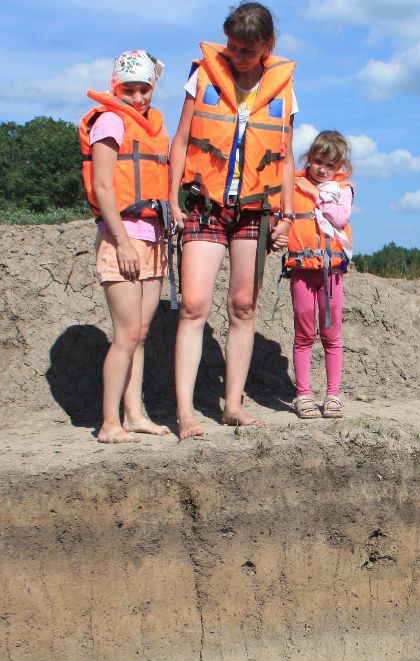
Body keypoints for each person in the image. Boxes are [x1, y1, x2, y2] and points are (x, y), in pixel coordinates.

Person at [167, 2, 296, 436]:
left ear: (267, 46)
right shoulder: (203, 74)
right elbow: (182, 138)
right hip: (205, 204)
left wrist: (288, 214)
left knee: (244, 307)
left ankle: (233, 405)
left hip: (255, 210)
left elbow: (287, 153)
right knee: (193, 306)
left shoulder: (284, 88)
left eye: (247, 50)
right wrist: (172, 198)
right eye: (232, 47)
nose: (237, 56)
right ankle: (184, 412)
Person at [80, 50, 174, 444]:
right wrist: (120, 242)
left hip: (154, 238)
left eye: (143, 89)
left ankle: (134, 415)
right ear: (115, 87)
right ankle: (108, 424)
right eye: (128, 89)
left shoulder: (154, 128)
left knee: (142, 333)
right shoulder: (110, 120)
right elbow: (103, 187)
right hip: (123, 237)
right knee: (126, 333)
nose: (137, 98)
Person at [284, 131, 354, 419]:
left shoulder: (343, 191)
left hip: (331, 273)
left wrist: (315, 194)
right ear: (309, 159)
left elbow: (339, 218)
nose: (321, 169)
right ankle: (303, 395)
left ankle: (333, 395)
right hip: (302, 271)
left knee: (331, 335)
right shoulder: (292, 184)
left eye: (329, 165)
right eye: (317, 161)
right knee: (303, 335)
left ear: (340, 169)